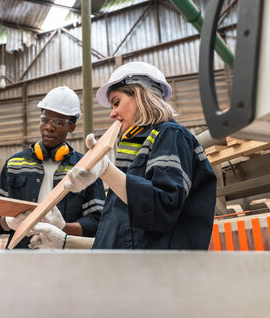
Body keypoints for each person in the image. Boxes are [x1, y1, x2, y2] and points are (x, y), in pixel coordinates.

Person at [29, 62, 217, 250]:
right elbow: (121, 241)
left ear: (142, 95)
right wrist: (65, 241)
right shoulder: (134, 158)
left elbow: (162, 209)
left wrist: (107, 170)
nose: (112, 114)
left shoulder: (170, 135)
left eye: (116, 102)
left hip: (162, 275)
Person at [0, 86, 105, 249]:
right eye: (45, 120)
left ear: (72, 126)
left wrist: (64, 228)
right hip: (21, 260)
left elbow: (97, 221)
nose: (49, 127)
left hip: (66, 262)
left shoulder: (85, 169)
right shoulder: (14, 164)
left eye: (59, 122)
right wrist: (8, 222)